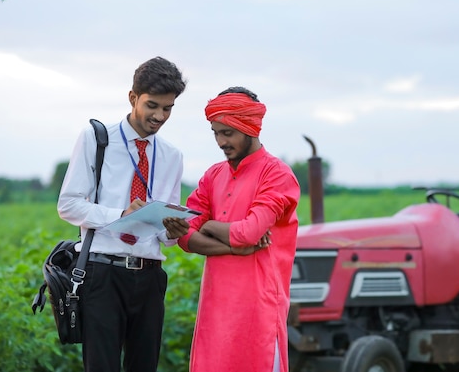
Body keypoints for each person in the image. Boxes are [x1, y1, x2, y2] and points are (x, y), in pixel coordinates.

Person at [57, 56, 190, 372]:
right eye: (152, 105)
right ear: (133, 98)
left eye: (168, 108)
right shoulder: (97, 139)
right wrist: (119, 214)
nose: (159, 116)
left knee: (144, 366)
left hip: (150, 275)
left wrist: (172, 232)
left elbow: (163, 235)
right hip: (103, 272)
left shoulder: (172, 156)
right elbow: (69, 204)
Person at [167, 87, 300, 372]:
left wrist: (211, 225)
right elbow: (186, 236)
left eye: (228, 133)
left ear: (250, 127)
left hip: (258, 309)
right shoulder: (213, 175)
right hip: (215, 309)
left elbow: (248, 233)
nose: (220, 141)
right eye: (216, 132)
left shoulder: (277, 174)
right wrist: (233, 248)